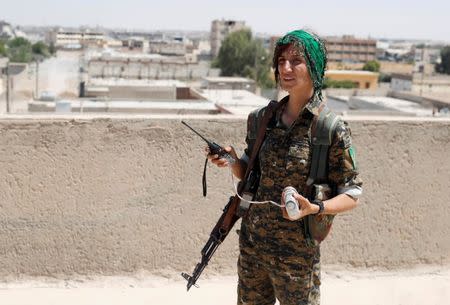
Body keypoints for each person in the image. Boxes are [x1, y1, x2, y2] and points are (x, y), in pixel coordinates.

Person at [208, 29, 363, 305]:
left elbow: (352, 195)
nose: (286, 68)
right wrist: (232, 161)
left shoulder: (329, 128)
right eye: (281, 61)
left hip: (297, 259)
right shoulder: (261, 119)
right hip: (253, 249)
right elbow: (251, 175)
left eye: (296, 61)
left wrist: (315, 209)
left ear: (313, 66)